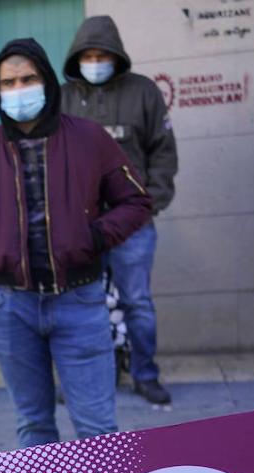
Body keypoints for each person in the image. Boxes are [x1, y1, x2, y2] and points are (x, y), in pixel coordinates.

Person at [0, 38, 152, 449]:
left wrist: (93, 237)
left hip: (80, 302)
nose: (19, 89)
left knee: (97, 429)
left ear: (47, 82)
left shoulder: (90, 138)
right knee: (33, 428)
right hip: (10, 309)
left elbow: (136, 200)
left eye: (28, 78)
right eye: (9, 82)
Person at [62, 15, 178, 406]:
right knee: (83, 306)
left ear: (116, 56)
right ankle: (91, 376)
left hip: (132, 224)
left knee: (137, 302)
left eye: (102, 55)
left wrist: (151, 203)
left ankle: (145, 374)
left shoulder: (143, 92)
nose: (95, 62)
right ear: (77, 58)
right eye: (88, 55)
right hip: (79, 225)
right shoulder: (61, 99)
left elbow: (163, 151)